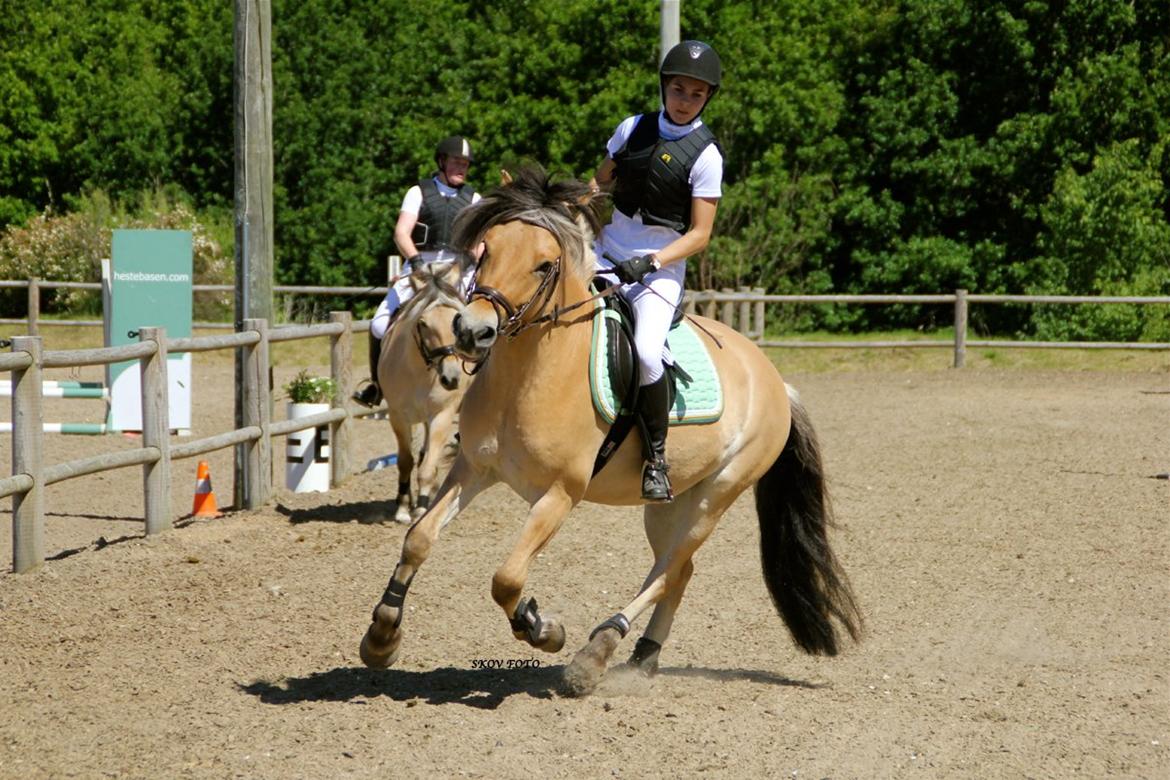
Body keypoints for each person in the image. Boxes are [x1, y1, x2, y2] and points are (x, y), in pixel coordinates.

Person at [590, 40, 724, 502]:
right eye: (678, 89)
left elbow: (701, 233)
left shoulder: (707, 155)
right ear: (665, 86)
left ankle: (656, 459)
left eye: (695, 94)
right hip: (606, 248)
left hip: (658, 265)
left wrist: (651, 261)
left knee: (647, 351)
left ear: (707, 99)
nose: (684, 100)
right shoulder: (633, 128)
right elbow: (600, 181)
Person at [354, 136, 481, 407]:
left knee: (481, 324)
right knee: (378, 324)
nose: (462, 168)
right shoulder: (418, 192)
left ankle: (481, 391)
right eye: (457, 162)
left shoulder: (474, 198)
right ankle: (377, 387)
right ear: (442, 161)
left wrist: (466, 263)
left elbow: (479, 242)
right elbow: (402, 233)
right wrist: (415, 262)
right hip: (421, 264)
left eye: (466, 164)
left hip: (459, 269)